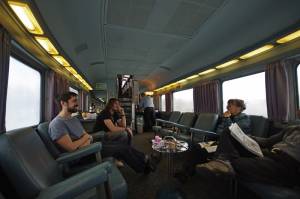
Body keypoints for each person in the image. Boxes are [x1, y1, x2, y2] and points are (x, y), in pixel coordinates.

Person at [49, 92, 155, 174]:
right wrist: (86, 139)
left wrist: (87, 138)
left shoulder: (73, 119)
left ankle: (145, 159)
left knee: (122, 146)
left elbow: (86, 135)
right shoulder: (57, 124)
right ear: (63, 103)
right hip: (82, 155)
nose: (77, 104)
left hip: (89, 145)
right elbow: (72, 148)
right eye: (74, 101)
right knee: (121, 148)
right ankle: (144, 167)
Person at [197, 125, 300, 190]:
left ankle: (224, 163)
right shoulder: (293, 129)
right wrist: (245, 137)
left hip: (287, 164)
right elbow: (267, 141)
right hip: (268, 154)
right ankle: (223, 161)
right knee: (228, 131)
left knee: (237, 163)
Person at [175, 99, 251, 182]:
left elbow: (232, 131)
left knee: (201, 150)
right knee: (197, 146)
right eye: (227, 105)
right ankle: (186, 171)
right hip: (219, 143)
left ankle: (187, 173)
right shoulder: (228, 118)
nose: (227, 107)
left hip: (230, 147)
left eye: (230, 106)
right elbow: (219, 131)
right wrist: (227, 120)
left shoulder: (245, 119)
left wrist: (227, 119)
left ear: (238, 107)